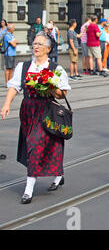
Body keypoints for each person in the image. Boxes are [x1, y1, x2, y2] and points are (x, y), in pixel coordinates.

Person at [1, 32, 71, 204]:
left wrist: (50, 87)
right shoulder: (23, 67)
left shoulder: (56, 68)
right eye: (34, 43)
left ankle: (28, 189)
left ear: (48, 48)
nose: (36, 46)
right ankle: (58, 174)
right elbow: (14, 87)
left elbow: (62, 94)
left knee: (35, 145)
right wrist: (6, 104)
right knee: (44, 144)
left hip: (47, 111)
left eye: (40, 44)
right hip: (28, 111)